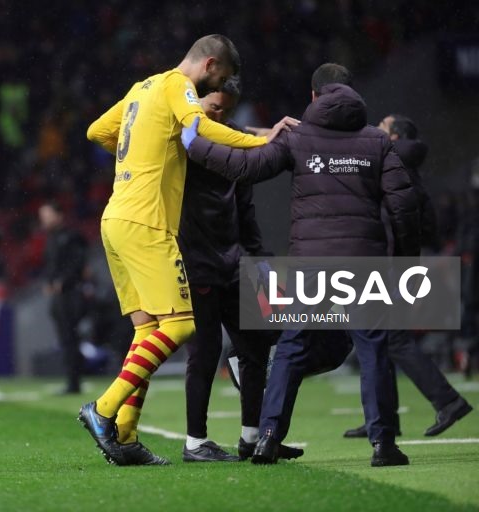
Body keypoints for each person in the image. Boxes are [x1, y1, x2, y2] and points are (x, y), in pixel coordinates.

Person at [181, 63, 420, 467]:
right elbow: (403, 204)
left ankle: (268, 438)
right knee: (372, 351)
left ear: (313, 97)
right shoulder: (378, 141)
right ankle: (383, 445)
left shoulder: (300, 139)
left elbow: (246, 167)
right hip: (364, 264)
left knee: (291, 348)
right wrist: (406, 264)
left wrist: (193, 142)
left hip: (311, 264)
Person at [81, 34, 296, 466]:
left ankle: (124, 435)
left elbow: (97, 131)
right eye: (223, 78)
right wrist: (266, 141)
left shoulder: (143, 88)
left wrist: (143, 150)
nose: (214, 89)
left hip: (115, 217)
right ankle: (104, 410)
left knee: (147, 330)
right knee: (180, 326)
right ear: (211, 65)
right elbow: (204, 129)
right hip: (147, 221)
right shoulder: (178, 84)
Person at [178, 78, 304, 462]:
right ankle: (195, 443)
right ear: (196, 103)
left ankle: (252, 436)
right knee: (206, 350)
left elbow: (245, 209)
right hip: (196, 262)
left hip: (233, 263)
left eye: (227, 110)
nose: (220, 116)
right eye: (214, 108)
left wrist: (261, 262)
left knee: (255, 345)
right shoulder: (181, 140)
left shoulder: (232, 140)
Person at [342, 115, 473, 438]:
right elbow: (427, 223)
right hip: (396, 262)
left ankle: (448, 401)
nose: (375, 129)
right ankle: (385, 419)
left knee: (392, 339)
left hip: (386, 263)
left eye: (383, 127)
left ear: (396, 137)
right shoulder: (407, 169)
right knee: (382, 341)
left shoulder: (391, 166)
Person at [39, 201, 89, 395]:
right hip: (59, 296)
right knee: (66, 338)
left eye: (46, 214)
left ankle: (75, 381)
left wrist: (63, 281)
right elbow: (51, 266)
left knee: (70, 337)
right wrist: (49, 282)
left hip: (71, 294)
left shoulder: (71, 236)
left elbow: (78, 263)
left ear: (58, 215)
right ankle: (72, 380)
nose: (43, 219)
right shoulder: (52, 238)